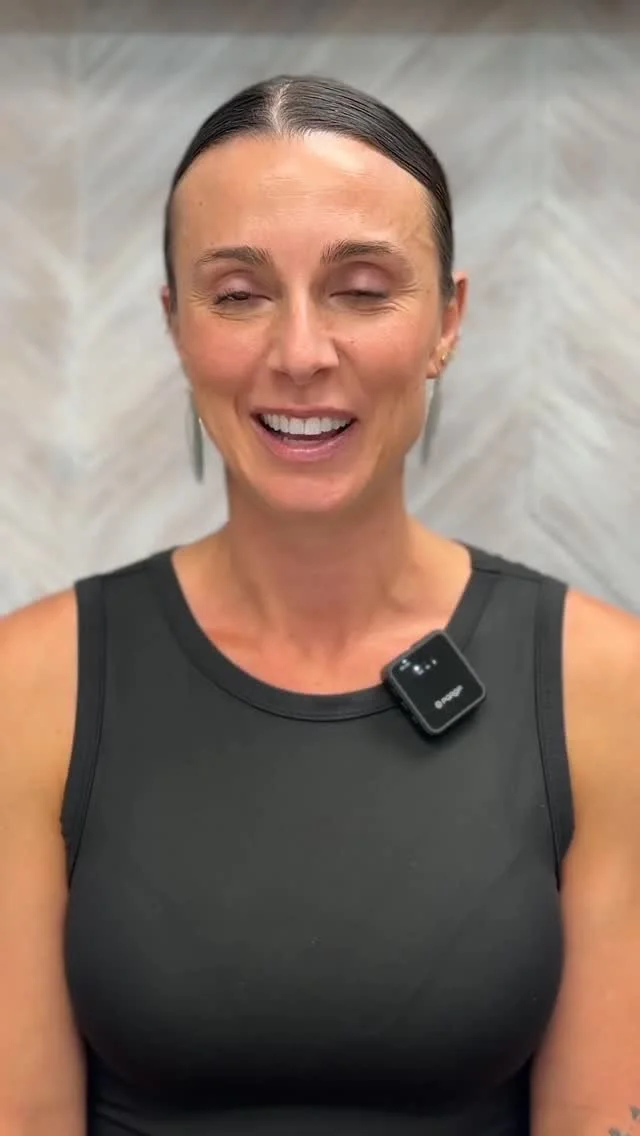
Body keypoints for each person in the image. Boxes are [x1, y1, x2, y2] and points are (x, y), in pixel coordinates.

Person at [0, 74, 638, 1136]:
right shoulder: (29, 687)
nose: (300, 353)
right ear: (174, 323)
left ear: (447, 320)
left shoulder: (604, 687)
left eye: (361, 288)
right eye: (237, 294)